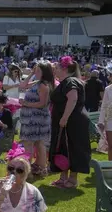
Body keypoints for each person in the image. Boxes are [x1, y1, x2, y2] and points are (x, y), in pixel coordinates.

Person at [48, 56, 91, 189]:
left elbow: (73, 98)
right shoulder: (65, 81)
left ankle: (72, 180)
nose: (55, 71)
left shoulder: (71, 81)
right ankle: (63, 177)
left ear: (64, 69)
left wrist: (65, 117)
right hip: (65, 121)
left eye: (57, 68)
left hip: (72, 122)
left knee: (73, 148)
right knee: (62, 148)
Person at [19, 61, 53, 177]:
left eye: (38, 71)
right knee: (38, 144)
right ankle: (40, 170)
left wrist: (26, 103)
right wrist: (31, 73)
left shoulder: (43, 85)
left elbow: (42, 104)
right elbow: (23, 86)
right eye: (36, 70)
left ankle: (30, 172)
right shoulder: (37, 82)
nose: (36, 72)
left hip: (36, 119)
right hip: (31, 119)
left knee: (31, 144)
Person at [98, 67, 112, 160]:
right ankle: (110, 165)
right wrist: (101, 121)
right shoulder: (108, 89)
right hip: (110, 119)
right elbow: (103, 106)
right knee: (111, 145)